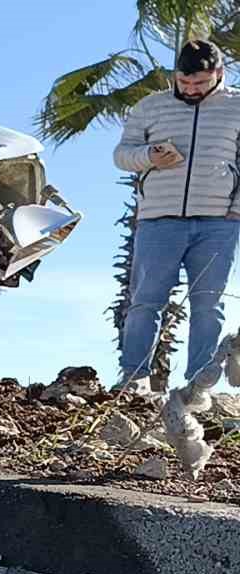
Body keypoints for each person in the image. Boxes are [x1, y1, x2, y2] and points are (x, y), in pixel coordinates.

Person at [113, 39, 240, 394]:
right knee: (145, 301)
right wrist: (150, 156)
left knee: (207, 304)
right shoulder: (150, 107)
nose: (191, 90)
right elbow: (122, 155)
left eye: (199, 84)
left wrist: (236, 210)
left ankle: (197, 387)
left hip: (218, 223)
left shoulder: (237, 106)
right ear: (176, 76)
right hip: (158, 220)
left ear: (218, 74)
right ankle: (133, 379)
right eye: (184, 84)